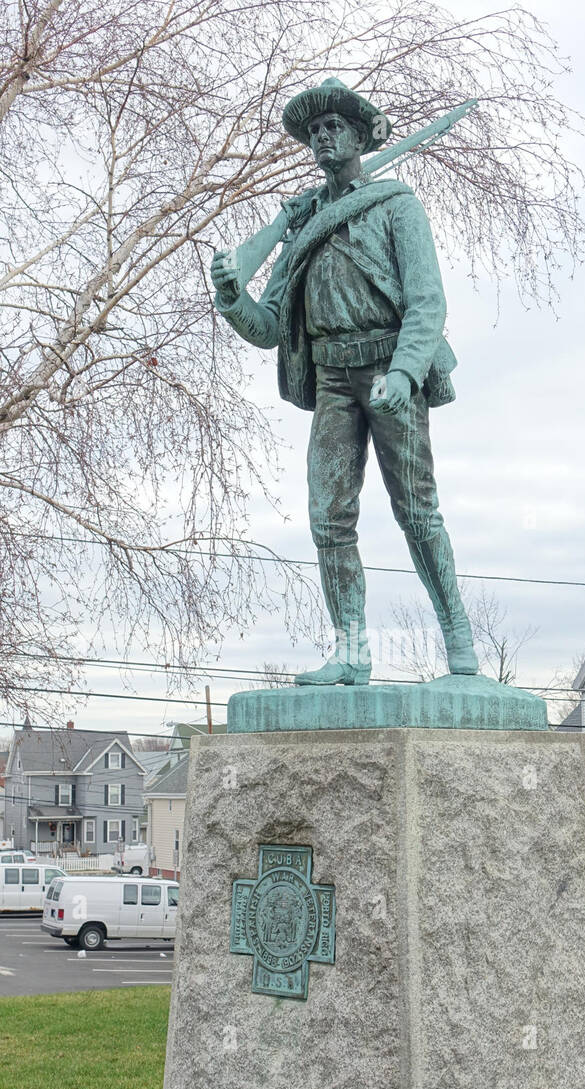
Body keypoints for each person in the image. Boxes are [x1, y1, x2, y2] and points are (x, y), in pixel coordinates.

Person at [211, 77, 478, 686]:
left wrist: (408, 372)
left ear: (360, 135)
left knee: (417, 511)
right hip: (332, 376)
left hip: (390, 368)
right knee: (329, 519)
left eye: (335, 126)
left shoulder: (396, 207)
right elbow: (271, 326)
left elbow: (427, 303)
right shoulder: (302, 226)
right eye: (315, 131)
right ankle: (352, 651)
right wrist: (232, 297)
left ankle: (459, 642)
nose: (323, 137)